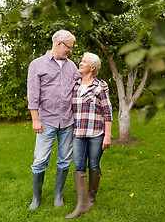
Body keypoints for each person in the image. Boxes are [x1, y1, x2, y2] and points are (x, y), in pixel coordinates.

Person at [27, 30, 82, 210]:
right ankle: (37, 198)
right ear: (59, 44)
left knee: (65, 159)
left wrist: (98, 83)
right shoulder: (37, 65)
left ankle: (58, 195)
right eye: (69, 48)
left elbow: (83, 83)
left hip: (67, 120)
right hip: (47, 120)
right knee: (40, 160)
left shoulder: (71, 66)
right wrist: (35, 119)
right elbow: (33, 95)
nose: (70, 51)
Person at [65, 52, 113, 219]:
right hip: (78, 133)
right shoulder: (75, 85)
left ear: (92, 68)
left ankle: (91, 197)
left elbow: (108, 113)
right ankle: (81, 204)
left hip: (96, 133)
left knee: (93, 163)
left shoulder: (100, 87)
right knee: (78, 165)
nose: (80, 63)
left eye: (84, 61)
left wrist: (107, 136)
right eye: (81, 61)